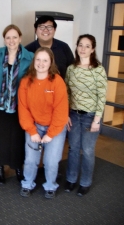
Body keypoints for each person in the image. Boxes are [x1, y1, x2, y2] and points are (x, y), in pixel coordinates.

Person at [0, 24, 34, 184]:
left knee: (17, 137)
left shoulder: (30, 57)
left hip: (19, 104)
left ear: (20, 38)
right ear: (4, 39)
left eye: (15, 37)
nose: (11, 40)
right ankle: (0, 168)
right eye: (8, 37)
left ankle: (17, 167)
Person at [18, 47, 68, 199]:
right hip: (34, 126)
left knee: (51, 161)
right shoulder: (26, 81)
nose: (41, 63)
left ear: (51, 62)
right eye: (38, 59)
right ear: (34, 62)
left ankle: (50, 185)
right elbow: (23, 109)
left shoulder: (57, 81)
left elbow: (61, 111)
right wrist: (32, 131)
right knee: (30, 160)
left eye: (45, 60)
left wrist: (51, 134)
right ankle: (27, 183)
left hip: (55, 127)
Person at [64, 34, 107, 196]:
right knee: (73, 148)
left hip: (91, 117)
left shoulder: (98, 70)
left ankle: (85, 182)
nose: (83, 49)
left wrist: (97, 120)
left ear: (93, 49)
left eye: (87, 46)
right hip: (73, 115)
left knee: (88, 150)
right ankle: (71, 179)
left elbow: (102, 97)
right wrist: (66, 114)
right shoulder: (71, 69)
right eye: (80, 45)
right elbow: (66, 93)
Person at [25, 15, 74, 79]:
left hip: (60, 88)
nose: (45, 30)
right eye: (41, 27)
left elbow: (72, 71)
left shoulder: (64, 47)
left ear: (55, 30)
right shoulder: (27, 50)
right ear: (35, 30)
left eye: (49, 27)